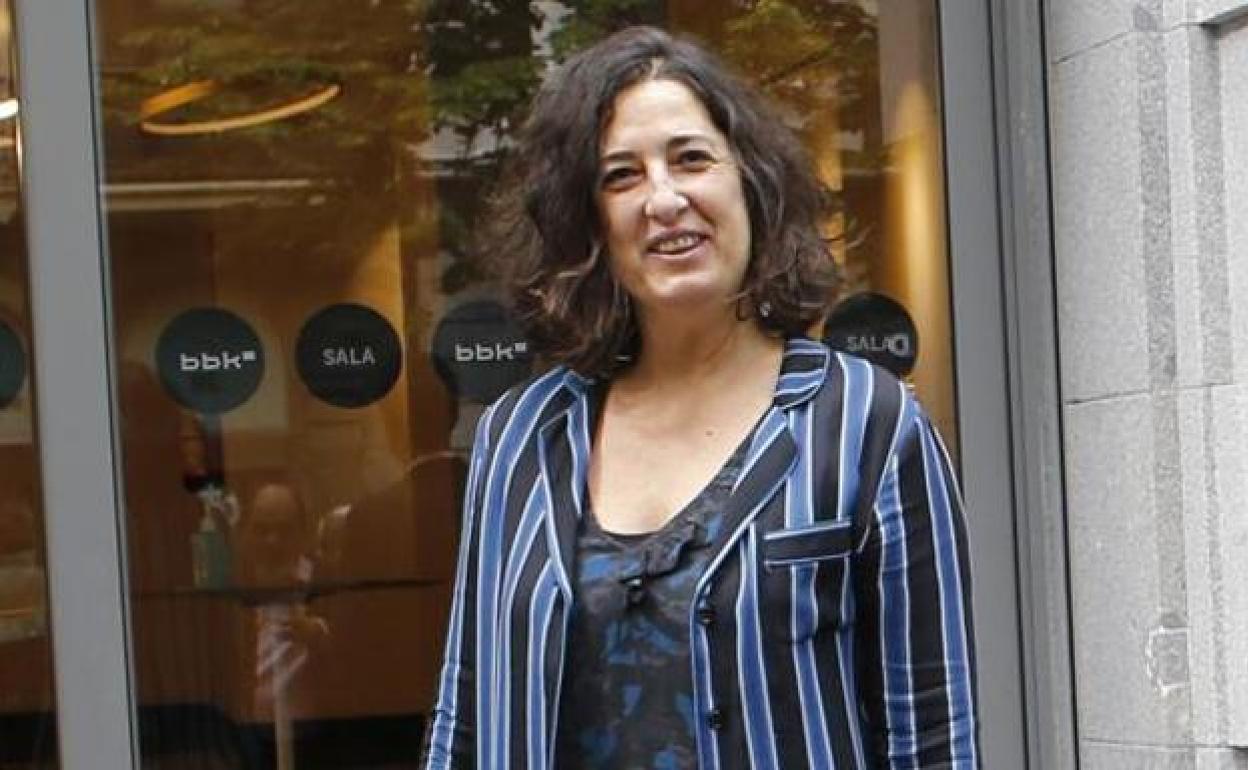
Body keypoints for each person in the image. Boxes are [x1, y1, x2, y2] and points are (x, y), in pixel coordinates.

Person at [422, 26, 978, 770]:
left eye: (690, 158)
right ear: (589, 223)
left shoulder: (865, 425)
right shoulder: (519, 436)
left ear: (750, 184)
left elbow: (935, 735)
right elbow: (465, 713)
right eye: (621, 176)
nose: (663, 198)